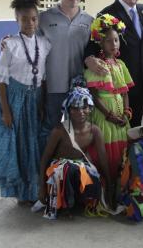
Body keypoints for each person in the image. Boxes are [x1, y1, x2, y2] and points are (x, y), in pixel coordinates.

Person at [1, 0, 93, 130]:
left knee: (77, 132)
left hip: (79, 87)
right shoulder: (43, 18)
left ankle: (73, 156)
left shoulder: (90, 21)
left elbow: (94, 51)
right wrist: (8, 40)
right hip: (51, 87)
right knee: (49, 131)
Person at [0, 0, 51, 203]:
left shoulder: (44, 44)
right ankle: (20, 193)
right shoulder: (10, 45)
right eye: (24, 19)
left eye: (34, 18)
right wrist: (6, 111)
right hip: (15, 100)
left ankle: (33, 190)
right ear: (17, 19)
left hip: (34, 100)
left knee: (32, 143)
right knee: (17, 145)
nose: (30, 23)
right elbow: (1, 79)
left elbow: (43, 78)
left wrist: (43, 102)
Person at [85, 0, 143, 127]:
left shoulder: (142, 12)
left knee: (135, 125)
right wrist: (88, 59)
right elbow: (92, 46)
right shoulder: (106, 14)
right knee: (119, 127)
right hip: (117, 85)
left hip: (140, 83)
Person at [38, 87, 111, 219]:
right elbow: (45, 158)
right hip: (60, 169)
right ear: (68, 110)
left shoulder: (94, 130)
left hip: (80, 166)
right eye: (75, 108)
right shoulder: (59, 131)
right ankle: (65, 206)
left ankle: (81, 201)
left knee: (91, 172)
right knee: (68, 169)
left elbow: (103, 159)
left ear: (90, 109)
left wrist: (109, 186)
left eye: (84, 107)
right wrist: (42, 187)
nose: (80, 112)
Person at [84, 14, 133, 181]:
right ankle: (107, 186)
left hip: (121, 116)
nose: (114, 44)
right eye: (108, 41)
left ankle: (121, 185)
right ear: (100, 43)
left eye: (116, 40)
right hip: (104, 116)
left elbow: (125, 92)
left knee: (122, 151)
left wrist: (126, 113)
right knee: (106, 151)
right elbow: (94, 95)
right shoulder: (97, 66)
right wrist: (109, 115)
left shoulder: (121, 65)